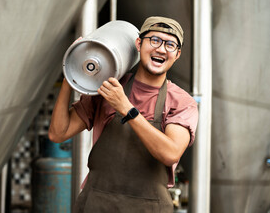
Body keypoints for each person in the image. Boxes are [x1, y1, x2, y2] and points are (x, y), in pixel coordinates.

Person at [48, 16, 198, 212]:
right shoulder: (108, 86)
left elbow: (170, 153)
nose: (161, 49)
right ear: (139, 43)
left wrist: (127, 109)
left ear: (177, 54)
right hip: (96, 205)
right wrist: (71, 72)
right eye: (154, 40)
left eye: (170, 44)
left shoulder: (181, 102)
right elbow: (58, 133)